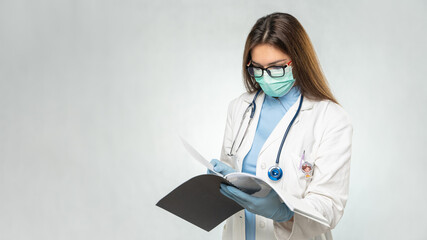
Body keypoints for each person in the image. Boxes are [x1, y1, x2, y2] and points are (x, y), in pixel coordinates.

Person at [208, 12, 353, 240]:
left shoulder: (330, 118)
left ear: (298, 60)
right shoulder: (239, 107)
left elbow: (330, 207)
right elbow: (230, 175)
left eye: (276, 68)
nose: (265, 78)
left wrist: (285, 212)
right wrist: (218, 182)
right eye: (257, 68)